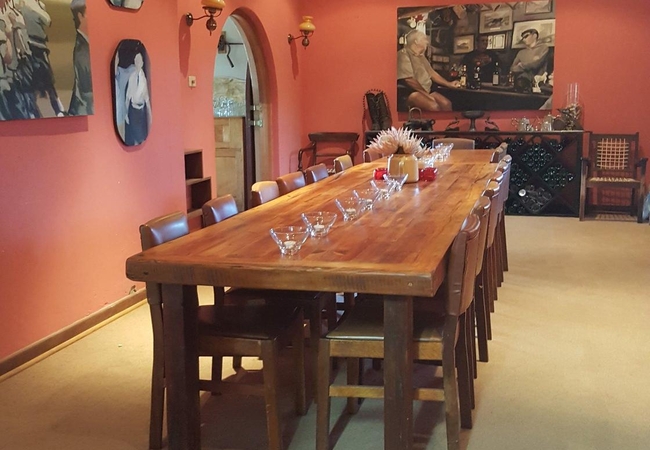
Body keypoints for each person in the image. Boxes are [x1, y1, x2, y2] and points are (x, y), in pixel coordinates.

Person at [397, 30, 459, 112]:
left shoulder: (421, 57)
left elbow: (432, 74)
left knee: (446, 104)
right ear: (416, 41)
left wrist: (449, 84)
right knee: (434, 107)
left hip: (426, 91)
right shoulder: (403, 54)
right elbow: (409, 80)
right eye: (424, 39)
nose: (427, 42)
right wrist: (426, 95)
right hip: (410, 92)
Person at [21, 0, 64, 116]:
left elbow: (47, 21)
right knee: (36, 81)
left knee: (47, 80)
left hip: (37, 46)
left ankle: (58, 109)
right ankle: (52, 110)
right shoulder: (26, 4)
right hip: (30, 46)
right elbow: (46, 20)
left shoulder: (36, 4)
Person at [68, 0, 93, 116]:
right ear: (80, 16)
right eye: (90, 13)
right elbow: (87, 89)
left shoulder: (86, 44)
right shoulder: (81, 50)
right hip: (84, 110)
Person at [123, 52, 151, 145]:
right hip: (133, 111)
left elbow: (146, 98)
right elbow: (128, 97)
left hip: (141, 112)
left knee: (142, 138)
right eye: (136, 61)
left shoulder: (143, 79)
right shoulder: (132, 77)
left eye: (139, 61)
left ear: (142, 63)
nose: (137, 63)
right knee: (134, 137)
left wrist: (150, 115)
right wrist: (126, 113)